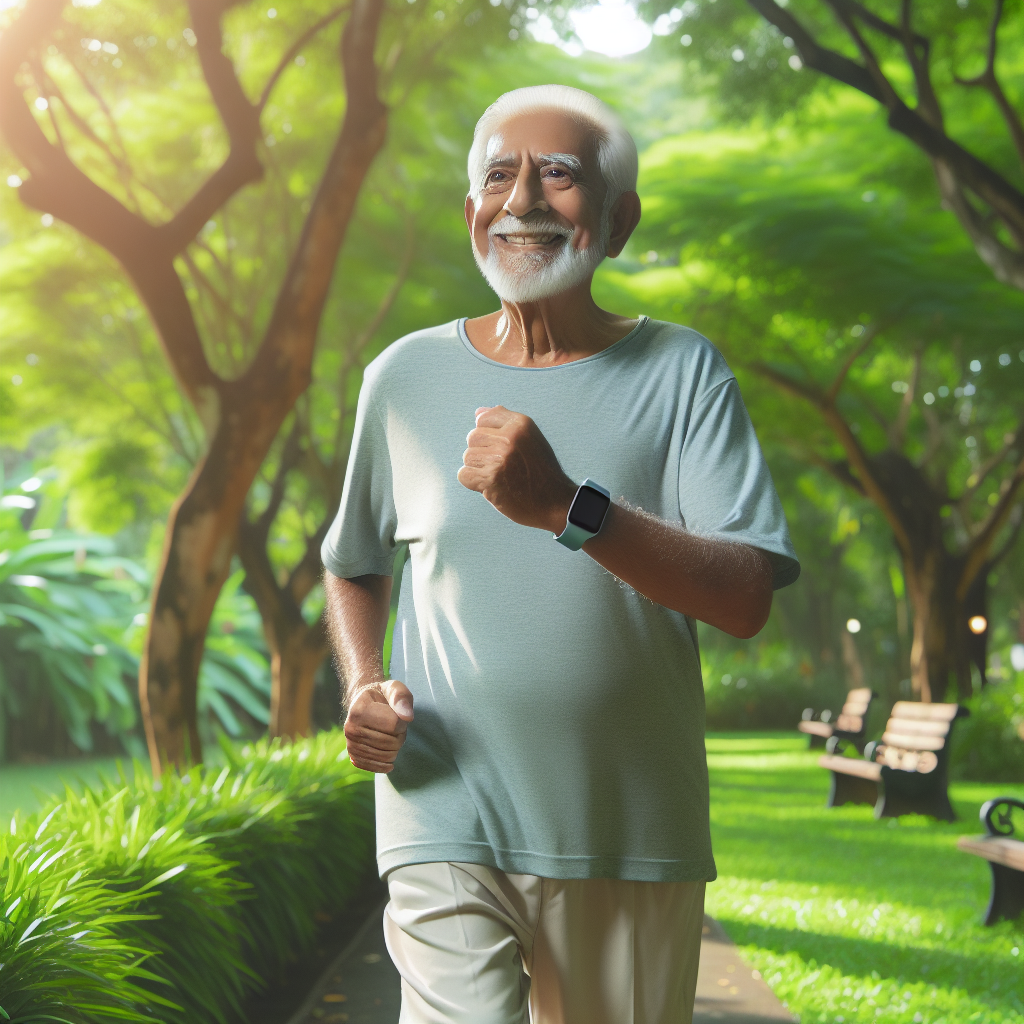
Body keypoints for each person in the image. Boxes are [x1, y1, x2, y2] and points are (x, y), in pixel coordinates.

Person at [321, 84, 799, 1024]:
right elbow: (354, 558)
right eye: (500, 175)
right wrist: (363, 681)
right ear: (472, 215)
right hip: (440, 806)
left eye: (561, 175)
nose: (525, 198)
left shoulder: (683, 372)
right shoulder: (403, 377)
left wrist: (569, 509)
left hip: (627, 829)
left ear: (617, 220)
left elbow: (746, 595)